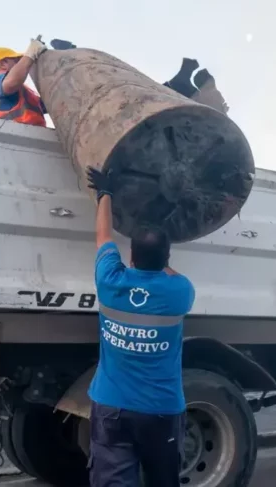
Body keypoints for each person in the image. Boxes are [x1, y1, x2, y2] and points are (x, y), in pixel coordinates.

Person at [85, 166, 195, 487]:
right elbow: (169, 273)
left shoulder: (109, 282)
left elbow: (103, 236)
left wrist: (105, 192)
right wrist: (161, 259)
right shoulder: (179, 292)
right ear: (167, 258)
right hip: (160, 412)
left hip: (111, 408)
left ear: (130, 256)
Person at [0, 38, 48, 126]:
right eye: (17, 61)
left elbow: (49, 106)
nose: (22, 63)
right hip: (18, 135)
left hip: (33, 135)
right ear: (3, 64)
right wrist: (30, 54)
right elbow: (11, 83)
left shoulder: (23, 92)